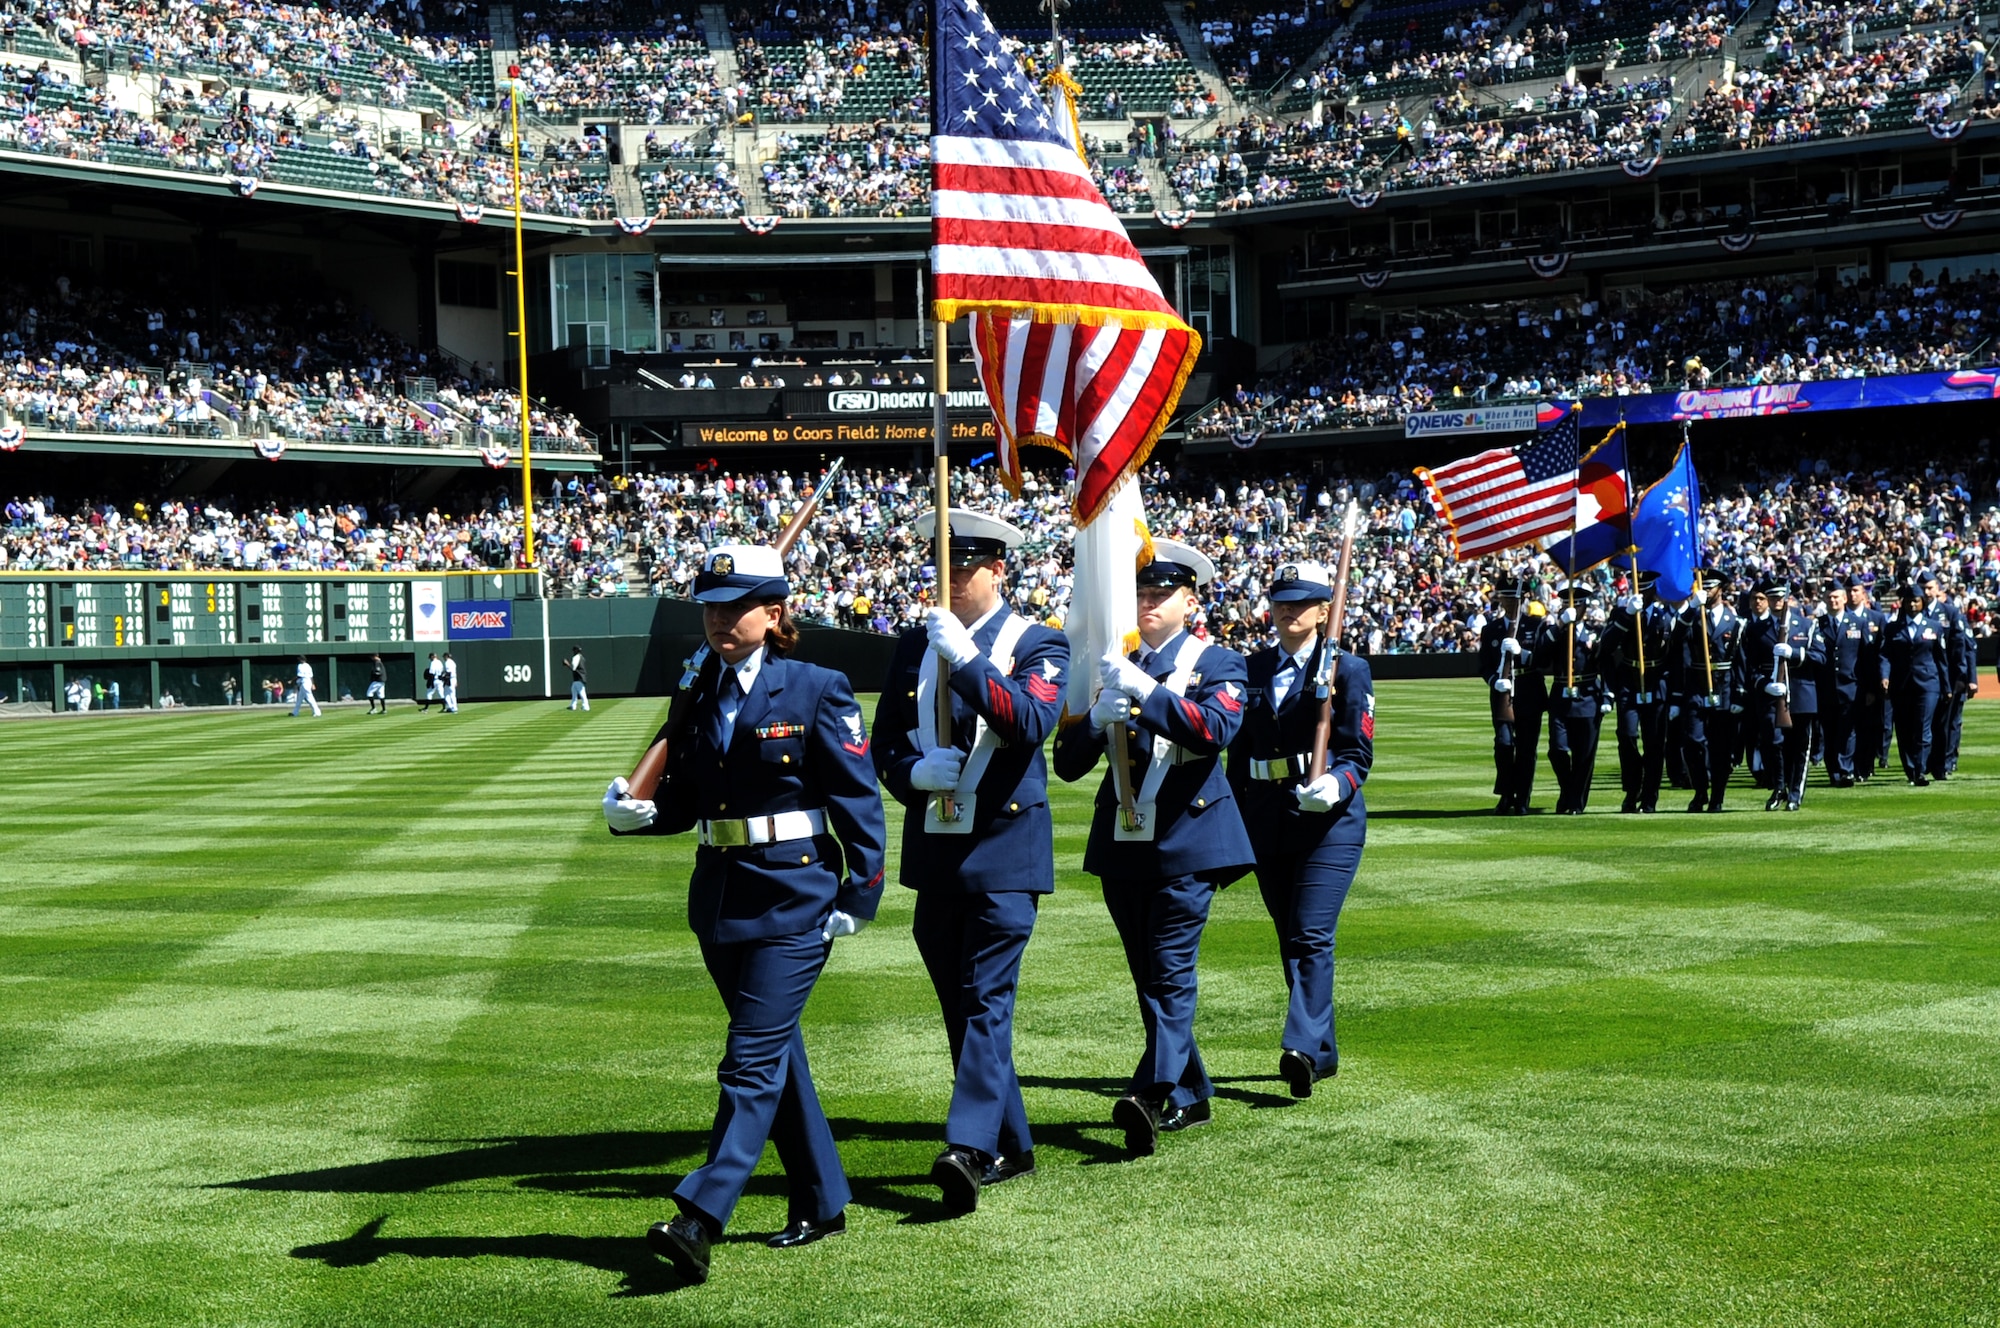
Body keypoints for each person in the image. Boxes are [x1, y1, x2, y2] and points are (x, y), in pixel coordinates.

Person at [602, 542, 887, 1285]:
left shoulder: (818, 687)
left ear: (774, 613)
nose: (720, 619)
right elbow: (690, 799)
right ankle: (822, 1201)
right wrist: (638, 814)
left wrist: (863, 891)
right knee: (777, 1055)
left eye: (736, 606)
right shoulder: (698, 689)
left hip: (798, 896)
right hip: (723, 894)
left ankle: (700, 1214)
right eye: (710, 607)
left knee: (749, 1059)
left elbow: (858, 800)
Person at [871, 507, 1069, 1214]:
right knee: (960, 1005)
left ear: (997, 570)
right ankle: (1012, 1139)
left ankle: (969, 1146)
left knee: (986, 999)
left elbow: (1030, 722)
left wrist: (967, 660)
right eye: (941, 565)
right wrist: (912, 773)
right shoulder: (912, 646)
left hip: (1005, 852)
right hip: (938, 849)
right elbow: (885, 743)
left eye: (963, 565)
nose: (949, 578)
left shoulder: (1040, 642)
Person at [1052, 538, 1254, 1156]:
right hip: (1124, 840)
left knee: (1168, 970)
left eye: (1160, 595)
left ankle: (1151, 1090)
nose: (1147, 604)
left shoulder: (1217, 663)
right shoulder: (1108, 662)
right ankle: (1192, 1093)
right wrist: (1093, 717)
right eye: (1139, 593)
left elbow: (1214, 729)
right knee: (1147, 975)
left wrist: (1145, 689)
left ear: (1189, 601)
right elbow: (1065, 764)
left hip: (1188, 840)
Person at [1226, 559, 1371, 1099]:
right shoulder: (1250, 668)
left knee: (1311, 932)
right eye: (1281, 599)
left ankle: (1301, 1047)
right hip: (1266, 814)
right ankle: (1323, 1049)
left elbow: (1358, 749)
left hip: (1328, 822)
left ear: (1323, 609)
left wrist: (1336, 783)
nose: (1289, 609)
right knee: (1290, 934)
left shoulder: (1348, 670)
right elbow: (1237, 752)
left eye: (1301, 600)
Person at [1665, 572, 1742, 812]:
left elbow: (1740, 661)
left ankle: (1717, 795)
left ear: (1721, 589)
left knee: (1721, 746)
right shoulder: (1693, 616)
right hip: (1696, 685)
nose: (1706, 591)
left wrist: (1739, 693)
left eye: (1711, 587)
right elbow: (1675, 640)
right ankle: (1700, 790)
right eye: (1703, 586)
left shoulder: (1735, 621)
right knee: (1693, 742)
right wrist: (1691, 609)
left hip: (1723, 686)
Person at [1599, 572, 1673, 813]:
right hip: (1630, 681)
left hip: (1655, 682)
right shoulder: (1621, 614)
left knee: (1654, 744)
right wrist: (1628, 616)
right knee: (1627, 736)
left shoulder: (1665, 616)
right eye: (1638, 589)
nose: (1641, 593)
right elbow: (1605, 648)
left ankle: (1650, 797)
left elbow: (1673, 654)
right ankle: (1632, 789)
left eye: (1646, 589)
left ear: (1654, 590)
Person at [1532, 581, 1606, 814]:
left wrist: (1607, 695)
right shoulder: (1555, 631)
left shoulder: (1595, 632)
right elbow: (1540, 653)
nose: (1571, 608)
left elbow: (1607, 664)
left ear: (1585, 608)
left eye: (1576, 605)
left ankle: (1575, 801)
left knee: (1584, 756)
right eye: (1567, 604)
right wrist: (1561, 624)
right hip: (1561, 698)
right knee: (1558, 750)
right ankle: (1568, 791)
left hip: (1587, 697)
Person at [1477, 579, 1547, 815]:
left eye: (1514, 598)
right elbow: (1483, 665)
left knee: (1527, 748)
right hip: (1502, 692)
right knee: (1504, 744)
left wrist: (1524, 654)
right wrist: (1494, 681)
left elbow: (1545, 660)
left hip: (1529, 689)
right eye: (1505, 598)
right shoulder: (1491, 629)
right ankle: (1506, 794)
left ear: (1523, 599)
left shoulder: (1536, 625)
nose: (1510, 603)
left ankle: (1523, 798)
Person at [1885, 580, 1949, 785]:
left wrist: (1946, 687)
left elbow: (1942, 660)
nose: (1912, 605)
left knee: (1923, 727)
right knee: (1904, 729)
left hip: (1928, 684)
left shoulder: (1934, 627)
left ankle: (1920, 770)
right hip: (1901, 685)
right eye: (1909, 602)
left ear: (1922, 602)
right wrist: (1884, 676)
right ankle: (1910, 769)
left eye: (1916, 601)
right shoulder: (1892, 628)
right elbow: (1885, 655)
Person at [1922, 568, 1978, 779]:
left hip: (1951, 678)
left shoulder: (1951, 613)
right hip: (1927, 678)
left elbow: (1965, 647)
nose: (1926, 592)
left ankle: (1946, 761)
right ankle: (1928, 761)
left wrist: (1967, 678)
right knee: (1928, 722)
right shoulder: (1915, 614)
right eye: (1923, 588)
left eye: (1929, 588)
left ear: (1937, 589)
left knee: (1949, 723)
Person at [1822, 581, 1875, 787]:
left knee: (1848, 730)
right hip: (1825, 688)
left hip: (1851, 686)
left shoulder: (1858, 623)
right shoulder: (1818, 624)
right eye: (1829, 597)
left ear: (1844, 599)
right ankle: (1833, 771)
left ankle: (1845, 770)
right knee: (1829, 731)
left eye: (1836, 597)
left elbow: (1866, 657)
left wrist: (1870, 687)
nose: (1833, 600)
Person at [1850, 575, 1891, 782]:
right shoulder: (1842, 617)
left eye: (1856, 590)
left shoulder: (1877, 618)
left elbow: (1882, 654)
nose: (1852, 594)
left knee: (1870, 727)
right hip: (1848, 683)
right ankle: (1850, 766)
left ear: (1863, 594)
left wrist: (1880, 681)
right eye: (1849, 590)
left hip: (1871, 683)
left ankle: (1866, 765)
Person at [567, 644, 591, 711]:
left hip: (579, 677)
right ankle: (573, 706)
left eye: (574, 650)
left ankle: (586, 706)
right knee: (573, 690)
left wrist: (567, 664)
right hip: (579, 678)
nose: (573, 652)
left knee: (582, 693)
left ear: (576, 651)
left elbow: (573, 668)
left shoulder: (576, 657)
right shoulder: (582, 657)